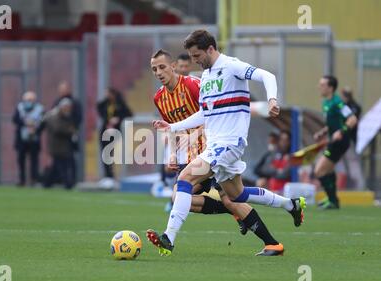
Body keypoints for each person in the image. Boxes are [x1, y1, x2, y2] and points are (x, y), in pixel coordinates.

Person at [147, 30, 306, 257]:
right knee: (238, 195)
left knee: (184, 180)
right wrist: (171, 127)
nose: (194, 61)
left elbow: (267, 76)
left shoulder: (232, 66)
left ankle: (169, 238)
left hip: (229, 143)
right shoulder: (208, 77)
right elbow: (204, 114)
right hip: (216, 145)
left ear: (210, 49)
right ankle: (290, 206)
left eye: (196, 55)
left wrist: (272, 99)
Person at [313, 76, 358, 209]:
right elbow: (332, 123)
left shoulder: (338, 102)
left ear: (330, 88)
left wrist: (341, 131)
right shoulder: (326, 102)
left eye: (322, 85)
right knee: (327, 171)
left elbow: (352, 119)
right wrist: (322, 132)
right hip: (335, 140)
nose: (319, 87)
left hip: (341, 141)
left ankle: (332, 200)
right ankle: (332, 200)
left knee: (319, 171)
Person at [97, 88, 133, 188]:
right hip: (105, 132)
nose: (108, 96)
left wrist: (118, 119)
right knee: (105, 154)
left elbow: (129, 113)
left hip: (115, 132)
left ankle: (113, 176)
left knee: (112, 154)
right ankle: (108, 176)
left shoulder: (120, 104)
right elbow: (99, 109)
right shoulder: (105, 104)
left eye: (109, 94)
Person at [42, 98, 77, 189]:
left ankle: (47, 183)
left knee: (57, 166)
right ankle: (67, 184)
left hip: (64, 145)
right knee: (62, 166)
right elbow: (57, 129)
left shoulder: (67, 116)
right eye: (67, 107)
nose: (68, 109)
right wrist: (69, 131)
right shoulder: (54, 115)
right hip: (56, 145)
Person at [52, 81, 83, 183]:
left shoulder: (74, 102)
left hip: (69, 136)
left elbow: (78, 117)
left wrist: (72, 128)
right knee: (58, 159)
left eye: (63, 89)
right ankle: (60, 179)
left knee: (71, 158)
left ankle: (72, 179)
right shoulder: (56, 102)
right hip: (58, 138)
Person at [13, 91, 44, 186]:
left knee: (34, 160)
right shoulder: (20, 108)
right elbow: (15, 120)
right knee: (21, 160)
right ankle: (22, 180)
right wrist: (26, 124)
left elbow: (43, 123)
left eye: (30, 100)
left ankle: (34, 179)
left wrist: (35, 128)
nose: (29, 102)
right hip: (22, 140)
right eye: (27, 100)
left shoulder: (40, 109)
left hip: (34, 139)